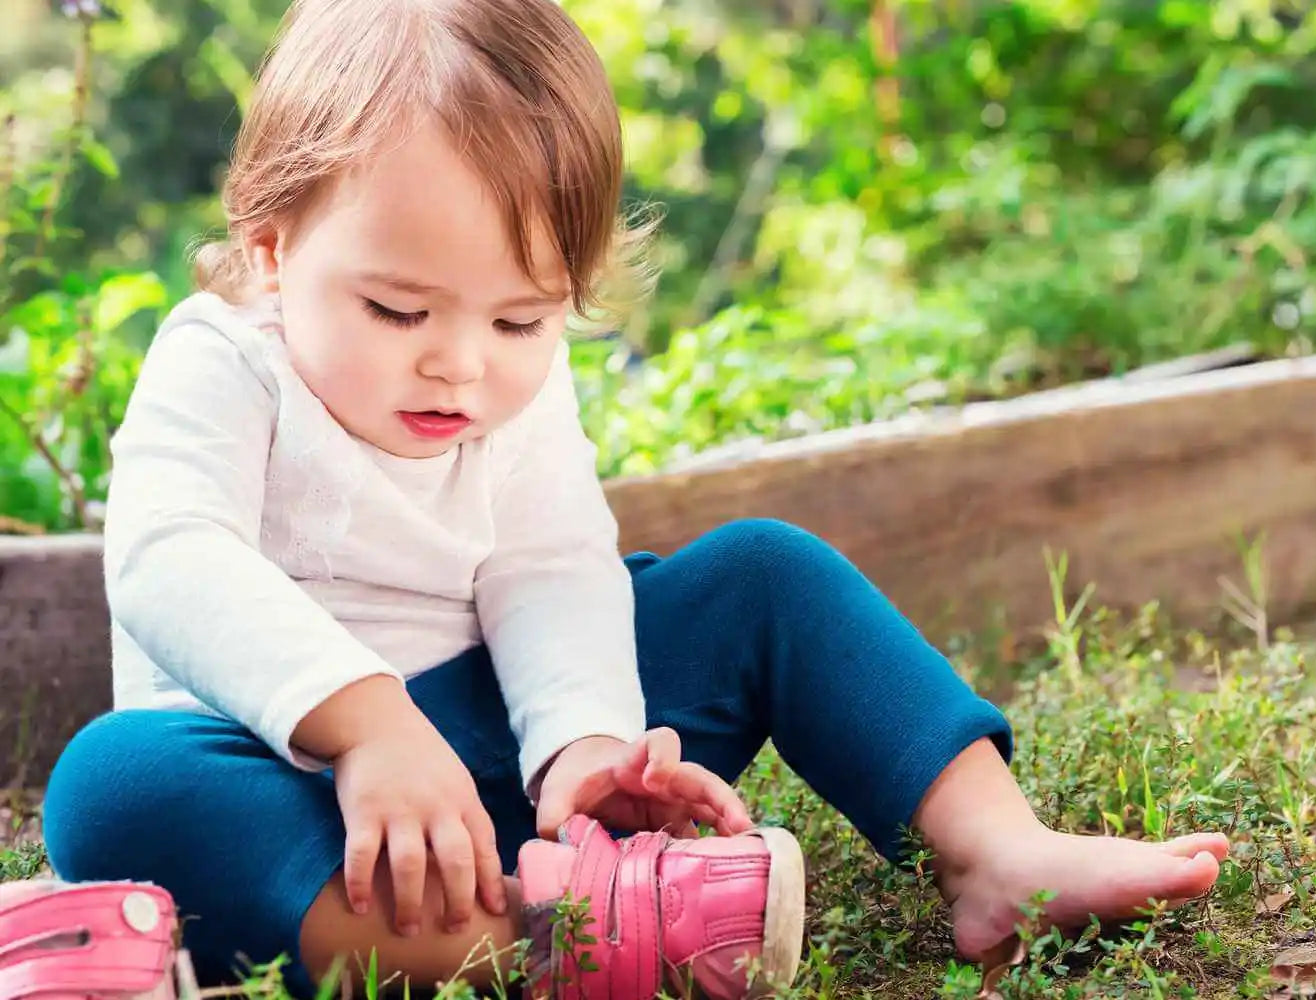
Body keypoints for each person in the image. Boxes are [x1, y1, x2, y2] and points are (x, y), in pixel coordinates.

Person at [37, 0, 1231, 996]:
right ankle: (560, 947)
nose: (461, 362)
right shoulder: (221, 364)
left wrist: (588, 750)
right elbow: (170, 556)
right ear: (272, 245)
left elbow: (551, 566)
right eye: (400, 311)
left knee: (763, 572)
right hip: (313, 797)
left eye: (521, 316)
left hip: (513, 757)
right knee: (114, 787)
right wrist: (367, 729)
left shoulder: (512, 389)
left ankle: (999, 854)